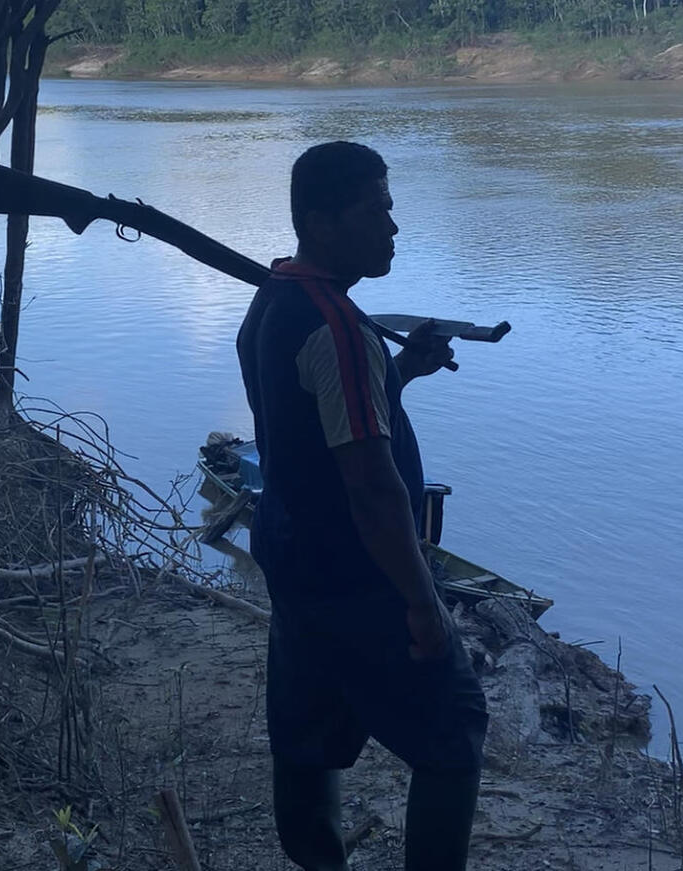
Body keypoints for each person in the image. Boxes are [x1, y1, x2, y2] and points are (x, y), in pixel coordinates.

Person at [236, 141, 488, 871]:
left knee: (308, 735)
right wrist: (419, 602)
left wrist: (400, 369)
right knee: (455, 728)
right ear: (321, 222)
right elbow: (372, 486)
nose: (393, 226)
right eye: (376, 208)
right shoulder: (339, 327)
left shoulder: (275, 302)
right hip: (361, 577)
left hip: (296, 563)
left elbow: (318, 431)